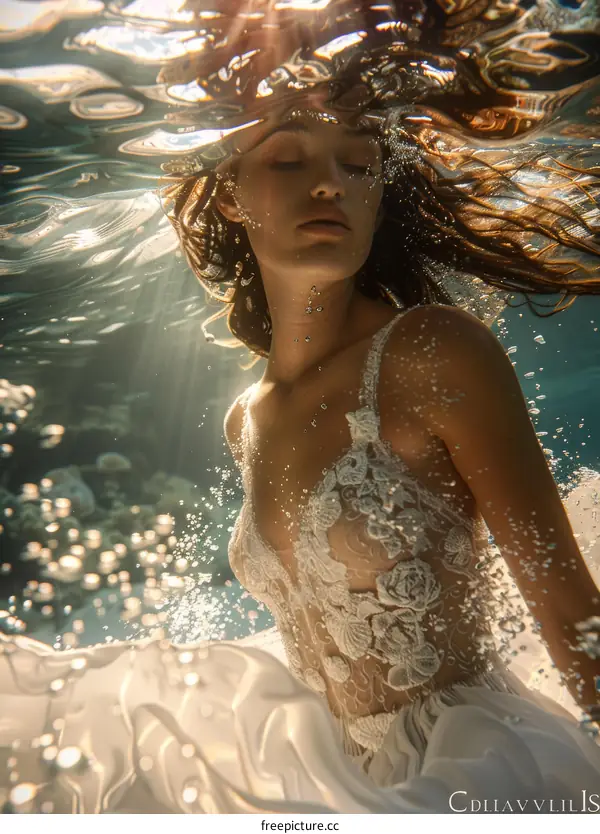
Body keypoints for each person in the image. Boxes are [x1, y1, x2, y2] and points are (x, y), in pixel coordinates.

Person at [1, 86, 600, 814]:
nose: (330, 185)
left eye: (359, 164)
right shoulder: (244, 420)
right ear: (228, 194)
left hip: (476, 775)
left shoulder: (432, 351)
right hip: (324, 783)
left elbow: (571, 611)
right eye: (288, 159)